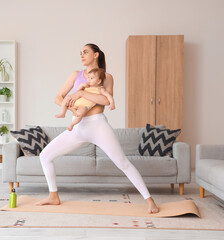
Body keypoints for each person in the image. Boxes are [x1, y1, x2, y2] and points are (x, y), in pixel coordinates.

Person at [36, 43, 159, 214]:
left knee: (123, 163)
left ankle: (149, 200)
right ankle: (53, 196)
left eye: (85, 52)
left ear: (96, 55)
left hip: (97, 124)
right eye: (80, 53)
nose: (82, 55)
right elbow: (58, 97)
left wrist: (80, 94)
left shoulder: (106, 76)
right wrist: (73, 109)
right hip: (77, 126)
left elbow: (106, 101)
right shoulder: (75, 75)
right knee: (45, 156)